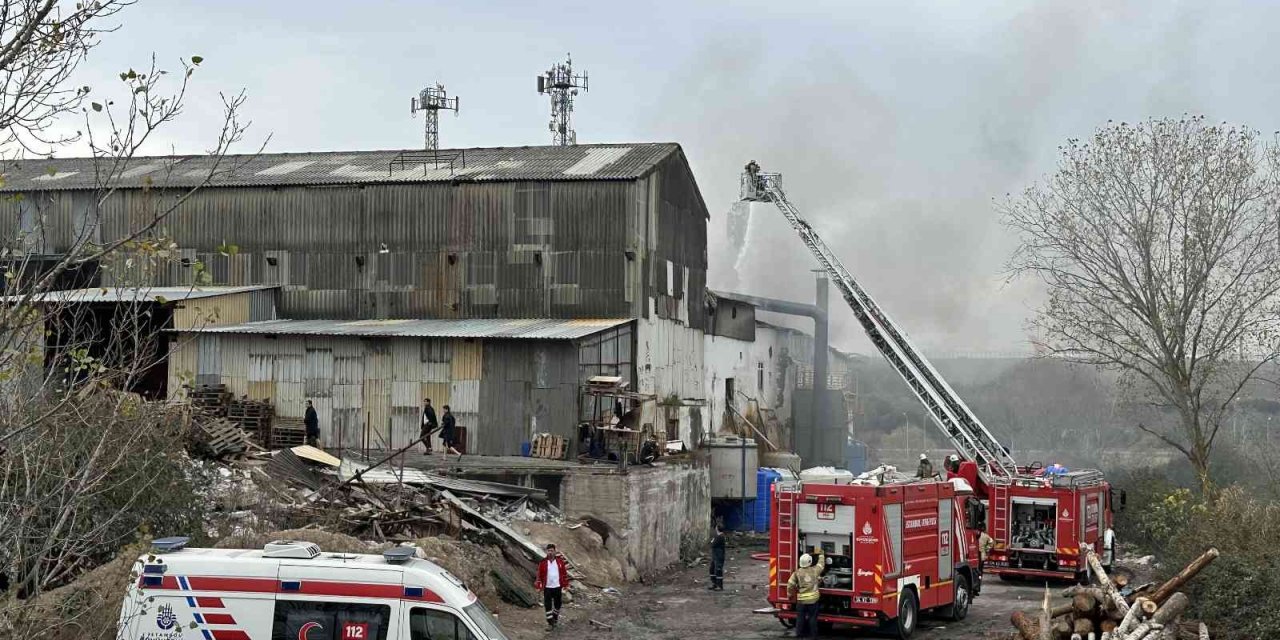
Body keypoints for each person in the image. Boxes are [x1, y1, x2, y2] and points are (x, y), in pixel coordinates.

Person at [787, 546, 826, 638]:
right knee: (813, 619)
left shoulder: (797, 573)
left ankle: (799, 635)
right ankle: (813, 636)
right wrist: (821, 554)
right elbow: (821, 565)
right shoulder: (814, 571)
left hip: (801, 602)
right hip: (813, 601)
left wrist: (789, 594)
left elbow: (790, 584)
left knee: (800, 619)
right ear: (810, 562)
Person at [534, 543, 571, 628]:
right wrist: (538, 586)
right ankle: (550, 623)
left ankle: (555, 618)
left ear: (555, 551)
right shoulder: (543, 563)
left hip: (557, 586)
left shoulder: (560, 562)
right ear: (546, 552)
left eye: (552, 551)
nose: (550, 552)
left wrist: (566, 585)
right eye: (548, 551)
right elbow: (539, 575)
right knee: (548, 605)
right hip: (547, 587)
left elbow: (564, 574)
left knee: (558, 604)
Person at [708, 524, 726, 590]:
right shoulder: (718, 536)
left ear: (717, 529)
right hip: (715, 556)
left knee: (718, 570)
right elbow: (712, 543)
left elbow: (713, 544)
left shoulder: (720, 536)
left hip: (719, 556)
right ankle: (714, 584)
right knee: (712, 569)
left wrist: (712, 541)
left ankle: (719, 586)